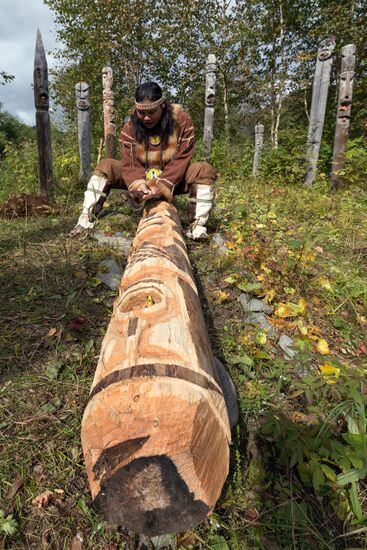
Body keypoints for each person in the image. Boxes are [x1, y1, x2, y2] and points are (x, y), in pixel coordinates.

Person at [69, 81, 217, 240]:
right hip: (142, 179)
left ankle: (197, 226)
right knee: (106, 166)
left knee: (204, 169)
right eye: (141, 113)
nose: (146, 117)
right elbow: (129, 163)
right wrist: (141, 186)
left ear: (162, 106)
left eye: (152, 112)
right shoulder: (130, 127)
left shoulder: (182, 121)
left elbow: (182, 158)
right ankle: (85, 220)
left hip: (174, 178)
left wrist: (161, 185)